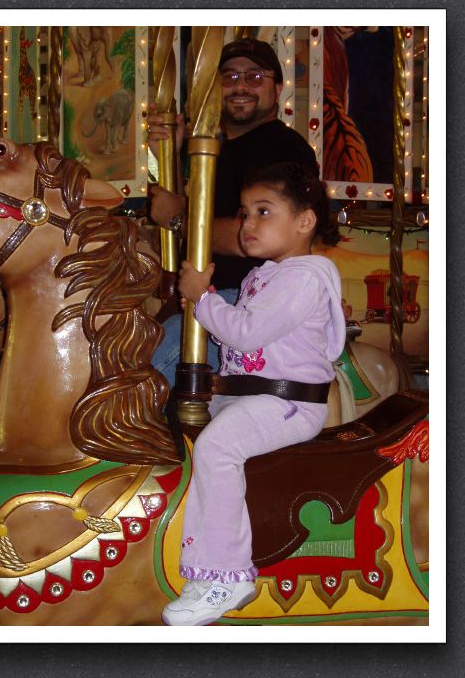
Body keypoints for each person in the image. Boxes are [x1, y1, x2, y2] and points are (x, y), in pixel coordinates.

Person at [161, 161, 346, 626]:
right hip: (250, 396)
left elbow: (244, 334)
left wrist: (202, 298)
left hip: (288, 403)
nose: (247, 224)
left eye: (264, 212)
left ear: (305, 221)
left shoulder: (304, 276)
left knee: (219, 447)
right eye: (244, 213)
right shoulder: (266, 274)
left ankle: (226, 576)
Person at [148, 38, 319, 387]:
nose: (240, 85)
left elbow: (257, 242)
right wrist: (172, 153)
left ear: (278, 87)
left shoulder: (280, 147)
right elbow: (201, 216)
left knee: (143, 377)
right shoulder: (222, 150)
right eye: (229, 77)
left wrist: (178, 220)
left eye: (254, 77)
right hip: (210, 291)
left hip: (244, 298)